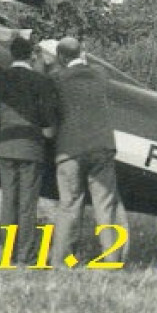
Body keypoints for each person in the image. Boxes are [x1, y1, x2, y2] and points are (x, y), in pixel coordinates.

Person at [0, 34, 61, 265]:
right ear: (31, 55)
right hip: (31, 149)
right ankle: (26, 255)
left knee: (9, 201)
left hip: (5, 147)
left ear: (11, 54)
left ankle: (7, 253)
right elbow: (49, 118)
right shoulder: (41, 82)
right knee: (27, 204)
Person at [49, 35, 127, 266]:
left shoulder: (56, 78)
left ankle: (61, 260)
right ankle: (111, 260)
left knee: (69, 205)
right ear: (81, 54)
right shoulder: (100, 75)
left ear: (61, 57)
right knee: (105, 206)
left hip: (69, 149)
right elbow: (98, 69)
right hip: (102, 147)